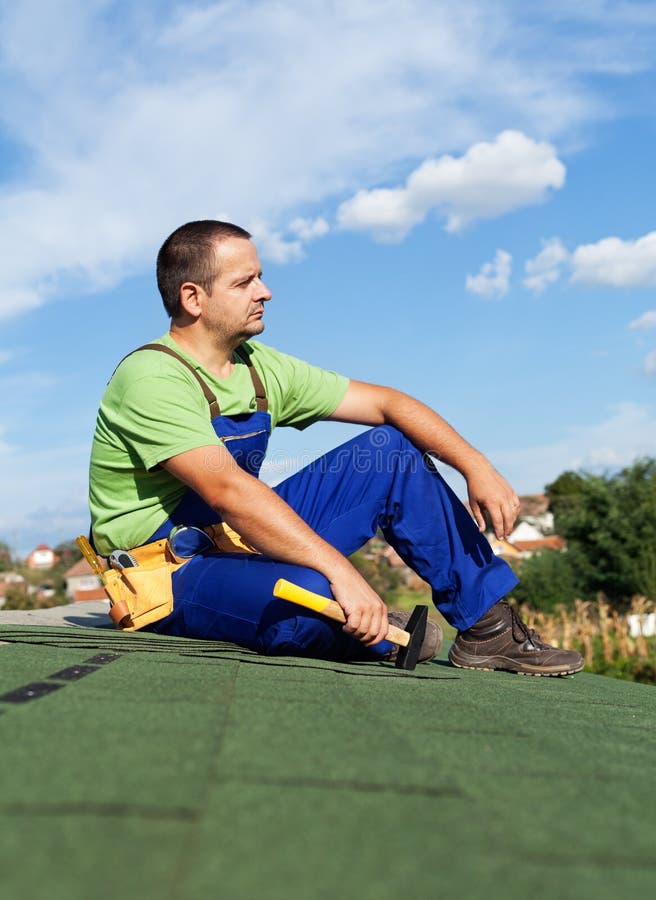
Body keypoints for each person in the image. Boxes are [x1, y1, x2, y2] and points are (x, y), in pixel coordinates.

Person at [89, 220, 583, 676]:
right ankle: (370, 625)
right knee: (311, 602)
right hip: (170, 574)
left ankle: (488, 630)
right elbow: (228, 491)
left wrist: (475, 465)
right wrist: (341, 572)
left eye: (260, 277)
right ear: (193, 297)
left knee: (389, 450)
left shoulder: (259, 367)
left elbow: (389, 403)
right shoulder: (151, 376)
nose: (265, 292)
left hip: (237, 538)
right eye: (244, 283)